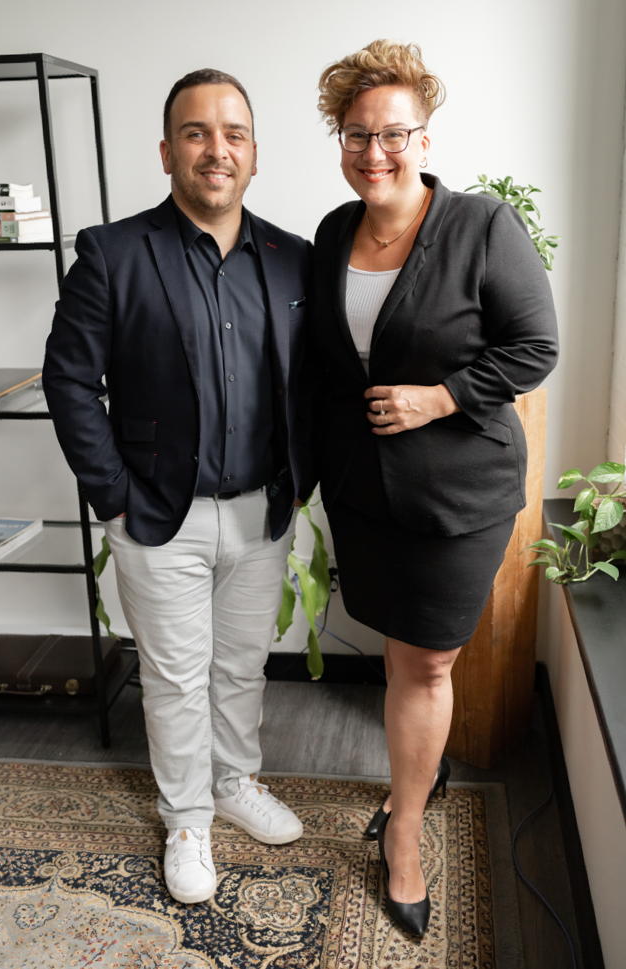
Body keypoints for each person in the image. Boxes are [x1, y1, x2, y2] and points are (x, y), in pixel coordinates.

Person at [42, 68, 313, 905]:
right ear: (167, 151)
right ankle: (187, 817)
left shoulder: (292, 257)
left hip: (261, 511)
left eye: (233, 133)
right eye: (197, 132)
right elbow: (68, 380)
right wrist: (113, 493)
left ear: (255, 154)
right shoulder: (114, 252)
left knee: (239, 666)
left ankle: (234, 782)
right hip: (158, 514)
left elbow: (313, 382)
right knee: (174, 675)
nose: (216, 148)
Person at [313, 40, 558, 937]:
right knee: (400, 653)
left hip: (459, 496)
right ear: (338, 138)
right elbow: (326, 367)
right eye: (355, 135)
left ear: (424, 135)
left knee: (427, 661)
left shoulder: (484, 225)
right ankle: (424, 769)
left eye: (393, 135)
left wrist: (441, 396)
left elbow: (536, 346)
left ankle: (404, 828)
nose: (374, 153)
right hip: (366, 494)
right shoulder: (336, 234)